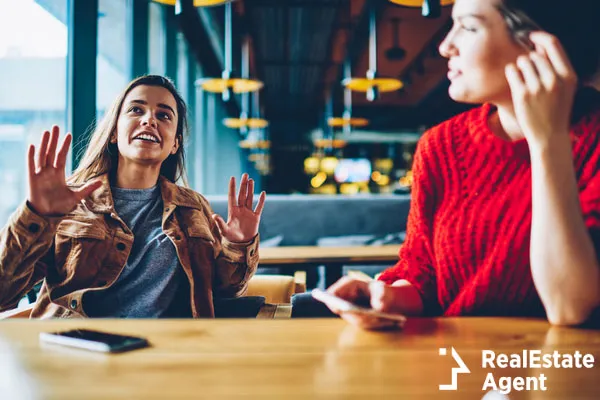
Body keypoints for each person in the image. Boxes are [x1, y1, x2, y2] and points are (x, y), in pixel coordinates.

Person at [319, 0, 600, 328]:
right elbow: (423, 272)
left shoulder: (592, 139)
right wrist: (389, 296)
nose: (445, 46)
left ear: (540, 47)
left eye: (468, 27)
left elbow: (570, 306)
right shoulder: (441, 146)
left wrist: (548, 141)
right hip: (456, 366)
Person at [0, 75, 266, 318]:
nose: (149, 120)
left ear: (175, 143)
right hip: (75, 355)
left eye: (164, 115)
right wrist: (36, 216)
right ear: (114, 132)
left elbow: (223, 292)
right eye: (136, 109)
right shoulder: (69, 201)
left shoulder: (193, 207)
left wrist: (239, 245)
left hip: (169, 356)